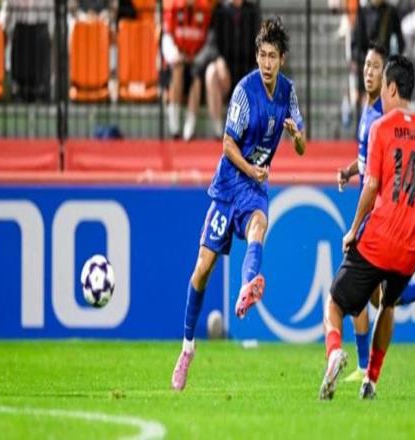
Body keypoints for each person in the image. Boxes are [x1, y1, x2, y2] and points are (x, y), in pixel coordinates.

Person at [171, 17, 306, 391]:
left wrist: (296, 136)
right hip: (230, 185)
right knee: (202, 269)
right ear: (257, 55)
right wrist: (252, 169)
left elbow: (301, 146)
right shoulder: (245, 92)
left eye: (273, 56)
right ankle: (187, 349)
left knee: (260, 224)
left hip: (254, 189)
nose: (266, 63)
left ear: (282, 59)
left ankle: (248, 286)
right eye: (262, 55)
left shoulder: (288, 93)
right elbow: (227, 145)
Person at [320, 54, 415, 400]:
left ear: (391, 88)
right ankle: (371, 381)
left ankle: (334, 354)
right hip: (408, 251)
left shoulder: (381, 127)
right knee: (387, 304)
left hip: (377, 241)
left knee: (334, 304)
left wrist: (353, 230)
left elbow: (372, 186)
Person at [205, 0, 260, 138]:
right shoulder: (219, 10)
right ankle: (219, 129)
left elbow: (260, 43)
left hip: (247, 70)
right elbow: (211, 43)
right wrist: (219, 60)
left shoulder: (252, 11)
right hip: (226, 73)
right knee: (211, 72)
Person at [162, 0, 212, 140]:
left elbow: (208, 41)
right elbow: (166, 37)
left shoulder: (204, 9)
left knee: (196, 79)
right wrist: (176, 56)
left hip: (195, 60)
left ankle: (189, 129)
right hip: (176, 60)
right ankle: (174, 128)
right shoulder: (172, 7)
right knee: (177, 70)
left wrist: (197, 59)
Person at [351, 0, 405, 124]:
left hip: (386, 75)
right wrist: (369, 62)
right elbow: (355, 47)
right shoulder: (363, 12)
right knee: (367, 118)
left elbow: (400, 44)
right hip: (368, 75)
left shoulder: (391, 12)